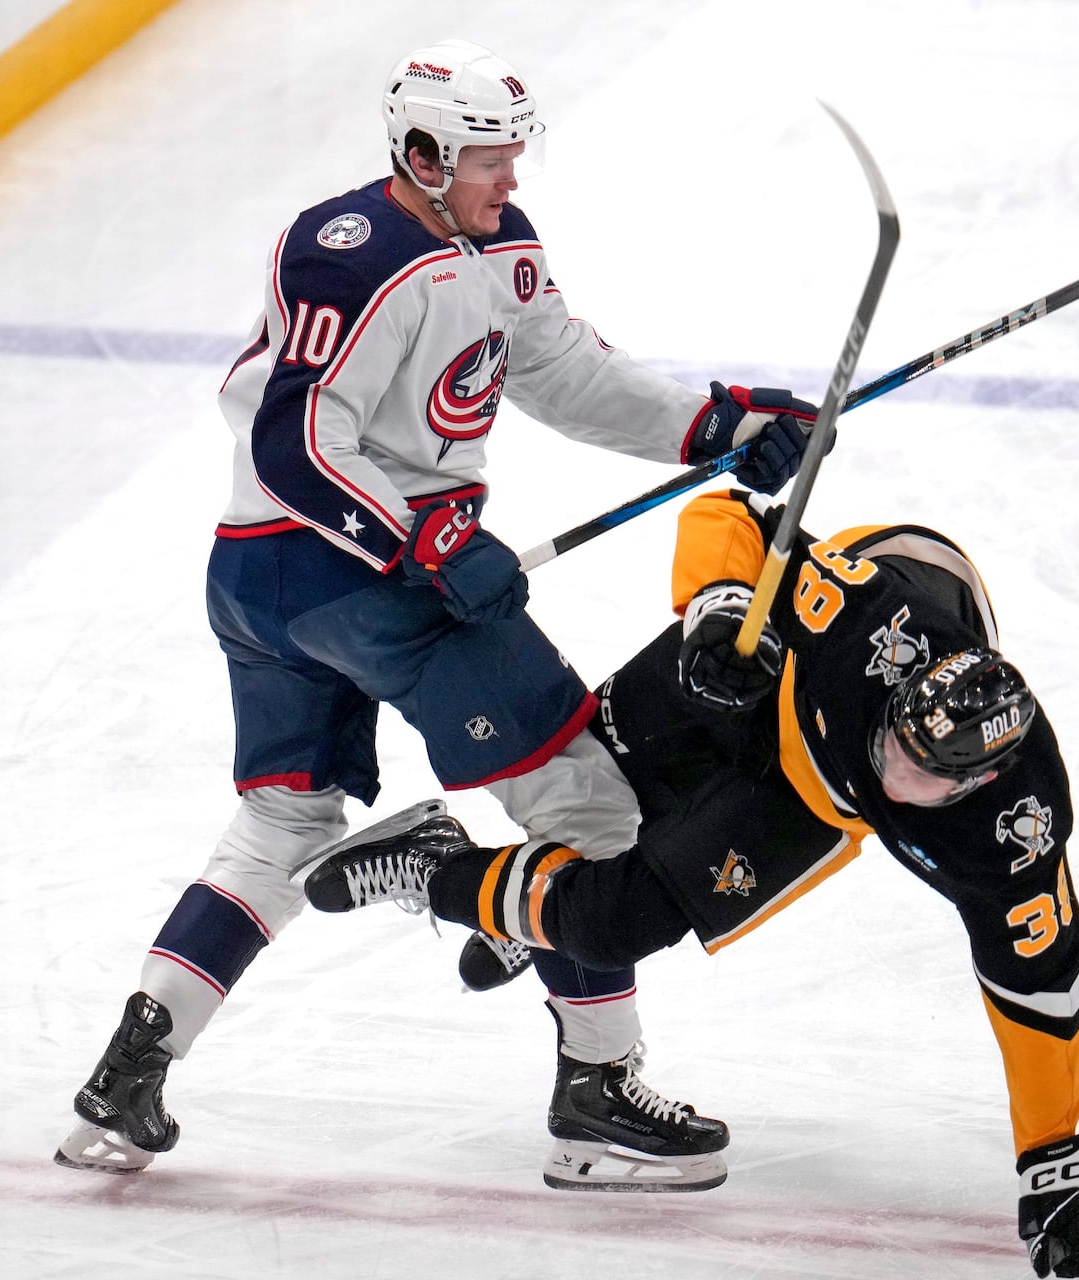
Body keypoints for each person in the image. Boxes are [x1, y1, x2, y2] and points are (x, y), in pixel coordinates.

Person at [53, 39, 819, 1191]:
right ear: (418, 152)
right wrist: (424, 538)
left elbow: (565, 371)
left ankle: (131, 1070)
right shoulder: (348, 252)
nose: (508, 178)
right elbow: (295, 441)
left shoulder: (499, 247)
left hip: (275, 581)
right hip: (355, 577)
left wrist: (713, 425)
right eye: (485, 161)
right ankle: (595, 1095)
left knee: (281, 826)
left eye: (513, 154)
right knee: (588, 801)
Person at [303, 488, 1079, 1276]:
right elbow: (727, 513)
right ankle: (533, 902)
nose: (892, 769)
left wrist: (1057, 1159)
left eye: (918, 777)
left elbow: (1040, 990)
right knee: (595, 790)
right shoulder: (867, 626)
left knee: (610, 922)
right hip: (777, 668)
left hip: (810, 799)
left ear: (974, 786)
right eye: (892, 741)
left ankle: (438, 864)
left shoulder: (1010, 835)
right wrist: (723, 607)